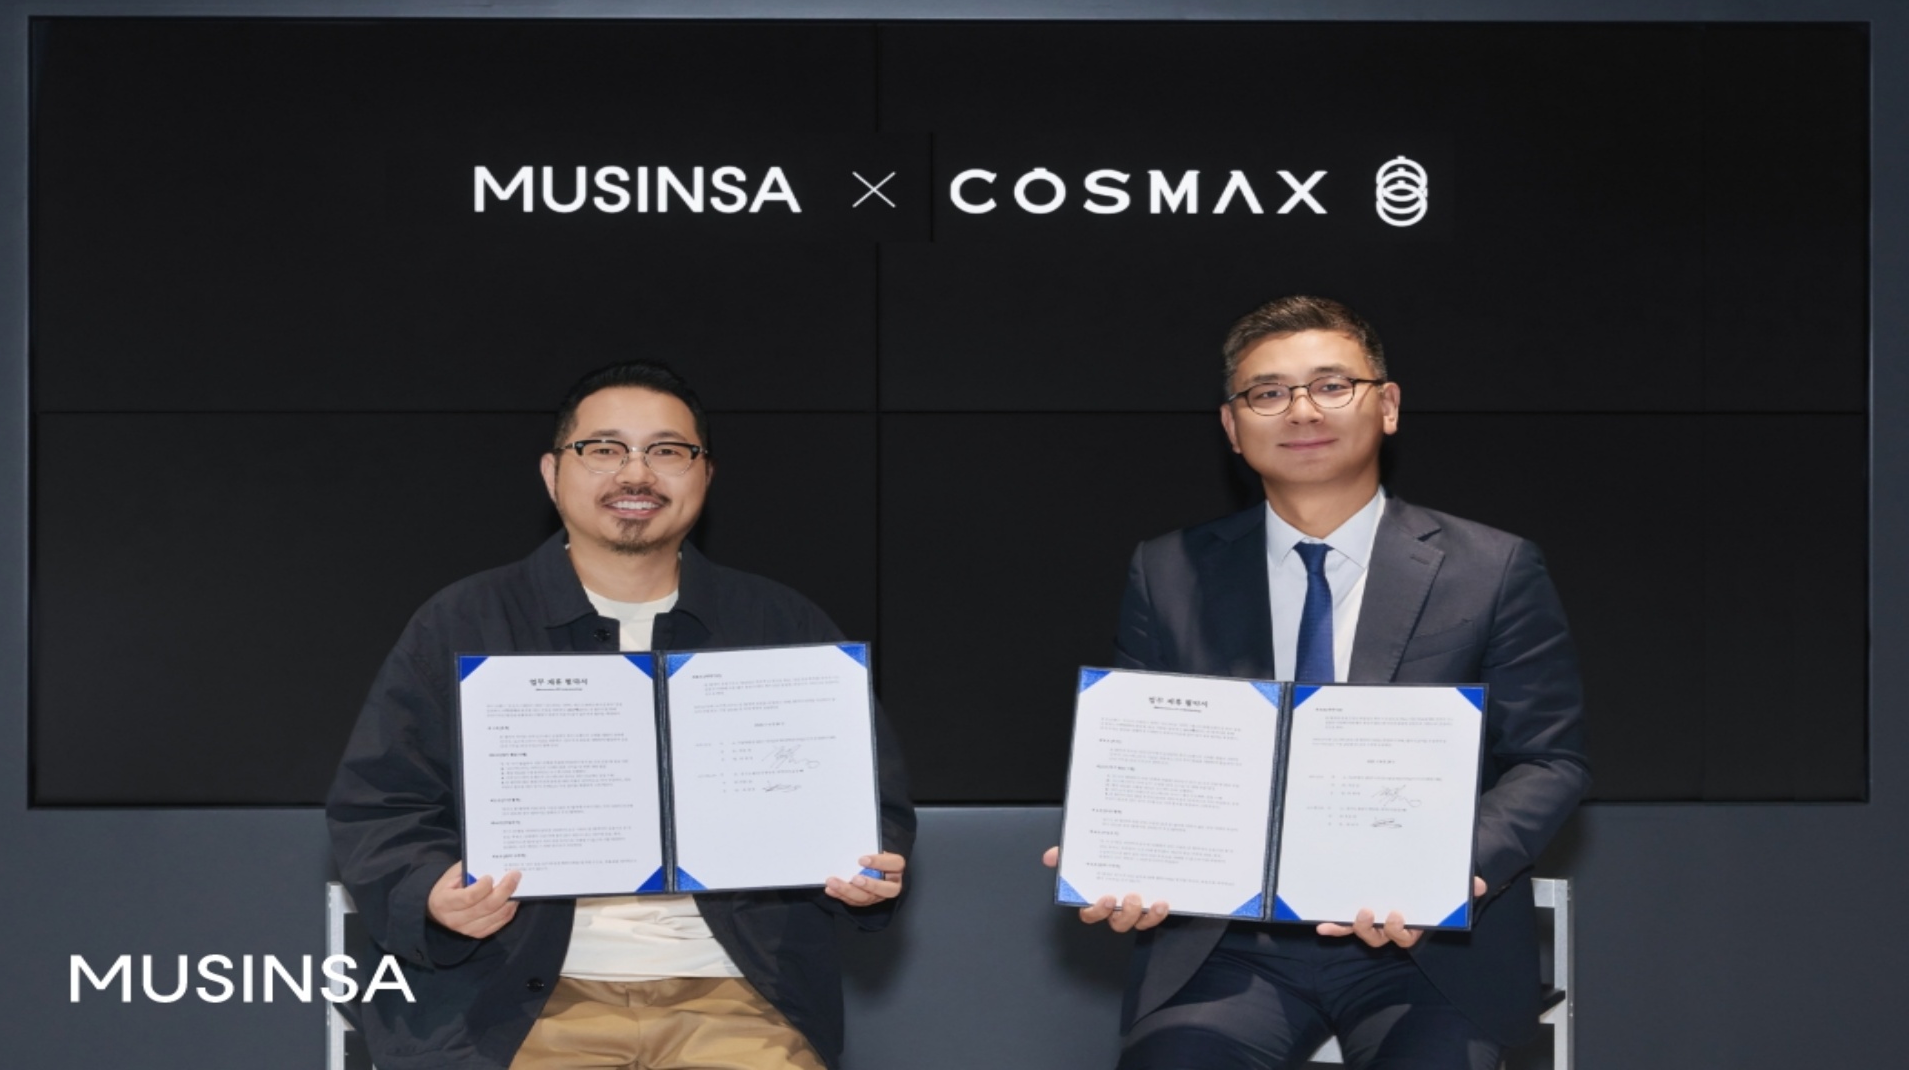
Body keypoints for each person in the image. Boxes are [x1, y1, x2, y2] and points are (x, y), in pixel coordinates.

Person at [1046, 296, 1589, 1069]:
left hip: (1429, 952)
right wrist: (1124, 859)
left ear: (1387, 406)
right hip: (1230, 947)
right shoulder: (1168, 571)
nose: (1302, 411)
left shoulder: (1491, 568)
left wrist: (1447, 870)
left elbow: (1550, 759)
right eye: (1268, 393)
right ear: (1233, 427)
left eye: (1332, 386)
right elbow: (1141, 755)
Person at [328, 360, 916, 1070]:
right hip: (513, 1003)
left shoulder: (781, 625)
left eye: (667, 451)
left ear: (705, 474)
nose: (636, 473)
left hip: (737, 999)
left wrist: (866, 866)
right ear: (553, 473)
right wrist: (431, 894)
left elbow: (871, 805)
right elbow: (381, 805)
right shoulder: (463, 622)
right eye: (604, 449)